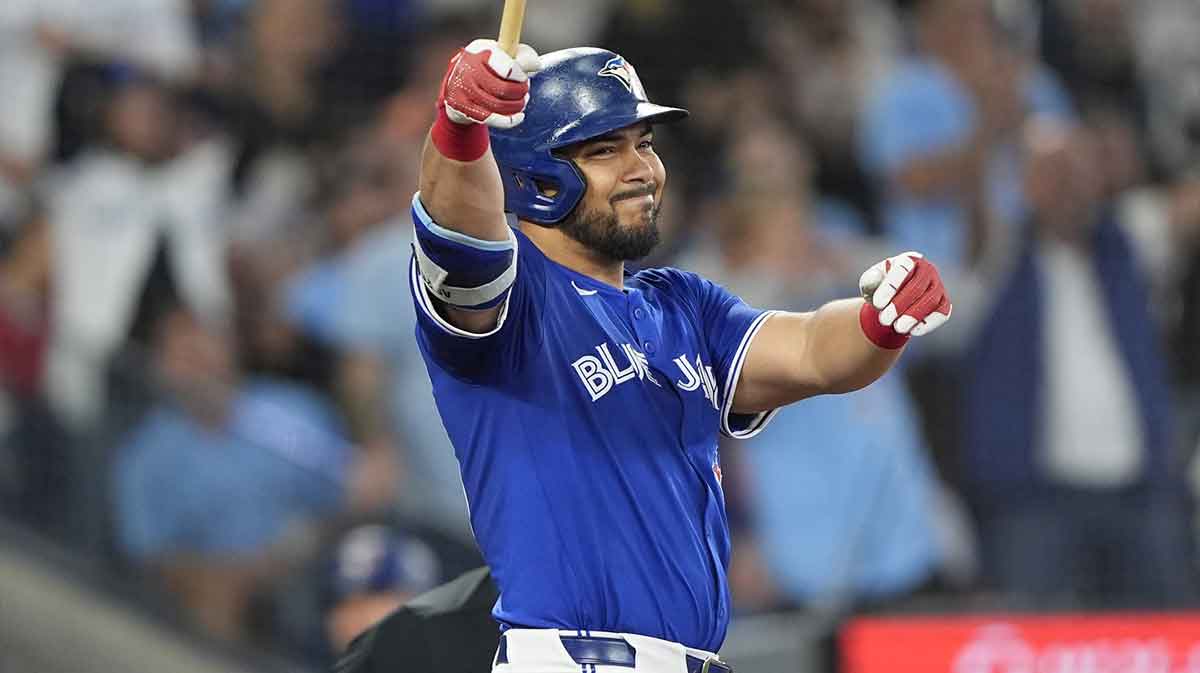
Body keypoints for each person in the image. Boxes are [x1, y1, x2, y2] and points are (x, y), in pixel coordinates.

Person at [407, 40, 952, 672]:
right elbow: (458, 228)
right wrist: (461, 125)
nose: (642, 168)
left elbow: (812, 352)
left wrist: (883, 317)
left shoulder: (682, 303)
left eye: (644, 144)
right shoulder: (515, 303)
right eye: (606, 149)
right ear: (533, 176)